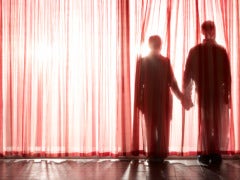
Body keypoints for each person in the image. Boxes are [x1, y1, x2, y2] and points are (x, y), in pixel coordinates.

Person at [183, 21, 231, 165]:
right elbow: (227, 75)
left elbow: (188, 74)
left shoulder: (195, 50)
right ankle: (214, 152)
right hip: (215, 92)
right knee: (215, 122)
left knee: (207, 121)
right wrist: (226, 94)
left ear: (202, 31)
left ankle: (207, 152)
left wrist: (187, 94)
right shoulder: (221, 50)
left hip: (204, 92)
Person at [134, 35, 186, 162]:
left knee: (150, 126)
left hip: (149, 98)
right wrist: (181, 97)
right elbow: (172, 83)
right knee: (162, 126)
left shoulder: (142, 61)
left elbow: (138, 84)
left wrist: (139, 101)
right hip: (162, 98)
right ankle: (160, 154)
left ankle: (153, 153)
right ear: (160, 45)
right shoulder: (165, 61)